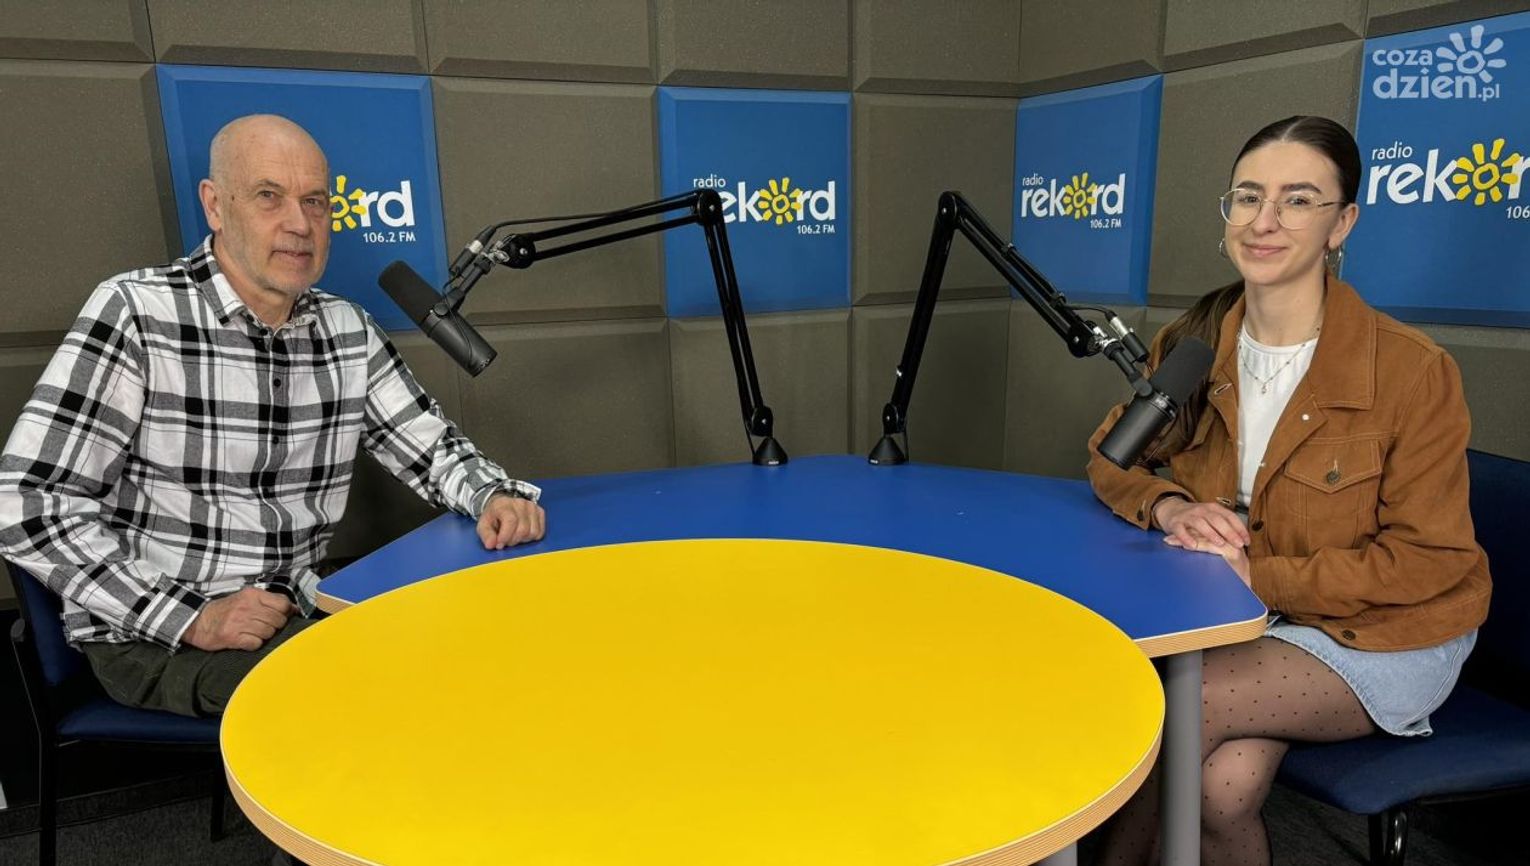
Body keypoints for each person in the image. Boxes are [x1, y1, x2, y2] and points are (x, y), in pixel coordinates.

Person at [0, 115, 546, 718]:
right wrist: (194, 618)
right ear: (215, 205)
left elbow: (431, 447)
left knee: (470, 654)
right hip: (158, 637)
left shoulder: (347, 328)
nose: (299, 224)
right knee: (381, 702)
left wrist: (492, 495)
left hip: (297, 609)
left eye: (315, 201)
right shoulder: (137, 312)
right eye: (269, 196)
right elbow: (25, 500)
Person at [1086, 116, 1491, 866]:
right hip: (1250, 622)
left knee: (1175, 704)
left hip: (1386, 630)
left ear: (1343, 224)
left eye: (1298, 200)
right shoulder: (1194, 344)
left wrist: (1257, 575)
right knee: (1223, 788)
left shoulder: (1412, 370)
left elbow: (1429, 562)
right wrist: (1171, 504)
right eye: (1248, 197)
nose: (1263, 221)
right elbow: (1110, 459)